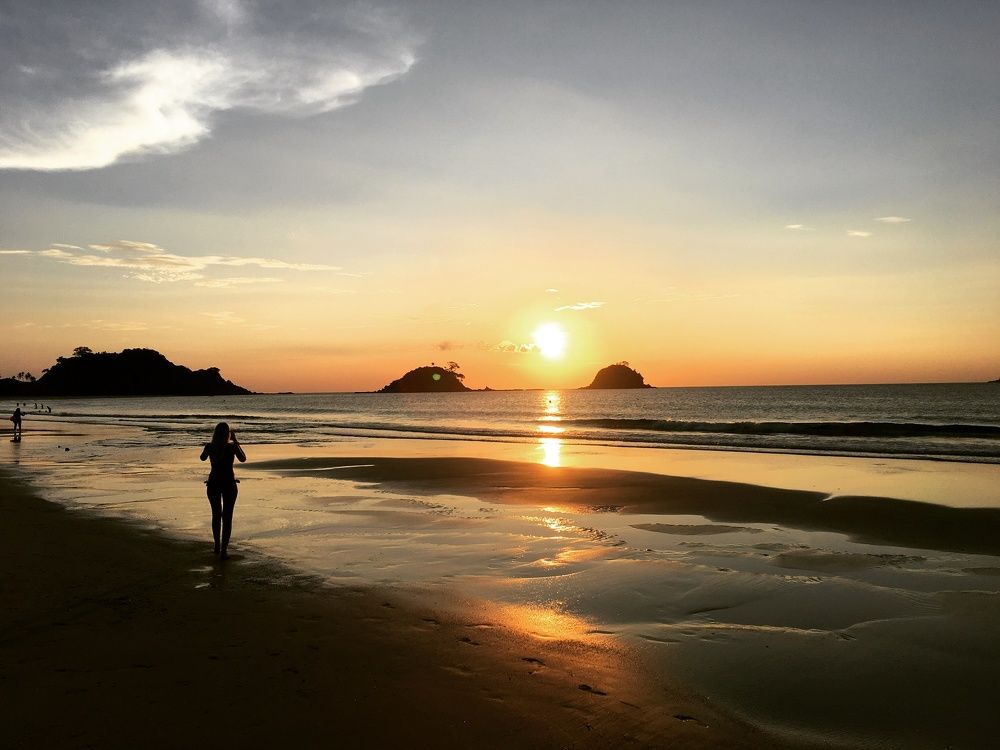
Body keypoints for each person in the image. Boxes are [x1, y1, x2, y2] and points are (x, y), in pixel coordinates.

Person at [199, 422, 246, 559]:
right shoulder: (231, 447)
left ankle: (216, 546)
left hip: (213, 483)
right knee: (227, 517)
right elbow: (243, 459)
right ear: (228, 434)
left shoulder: (210, 446)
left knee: (216, 515)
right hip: (229, 484)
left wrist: (209, 450)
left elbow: (202, 458)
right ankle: (224, 550)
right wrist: (236, 441)